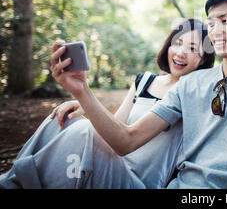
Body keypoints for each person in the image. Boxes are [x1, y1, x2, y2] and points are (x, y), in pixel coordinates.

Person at [48, 0, 227, 189]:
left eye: (224, 21)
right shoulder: (189, 85)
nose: (215, 31)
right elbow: (126, 140)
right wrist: (82, 92)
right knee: (77, 130)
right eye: (211, 23)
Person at [0, 18, 215, 189]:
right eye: (177, 43)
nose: (180, 52)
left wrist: (85, 95)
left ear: (204, 59)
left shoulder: (192, 93)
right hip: (110, 165)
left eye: (193, 48)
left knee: (85, 130)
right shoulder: (144, 81)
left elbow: (124, 142)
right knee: (63, 119)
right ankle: (12, 181)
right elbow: (115, 126)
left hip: (138, 182)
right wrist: (86, 108)